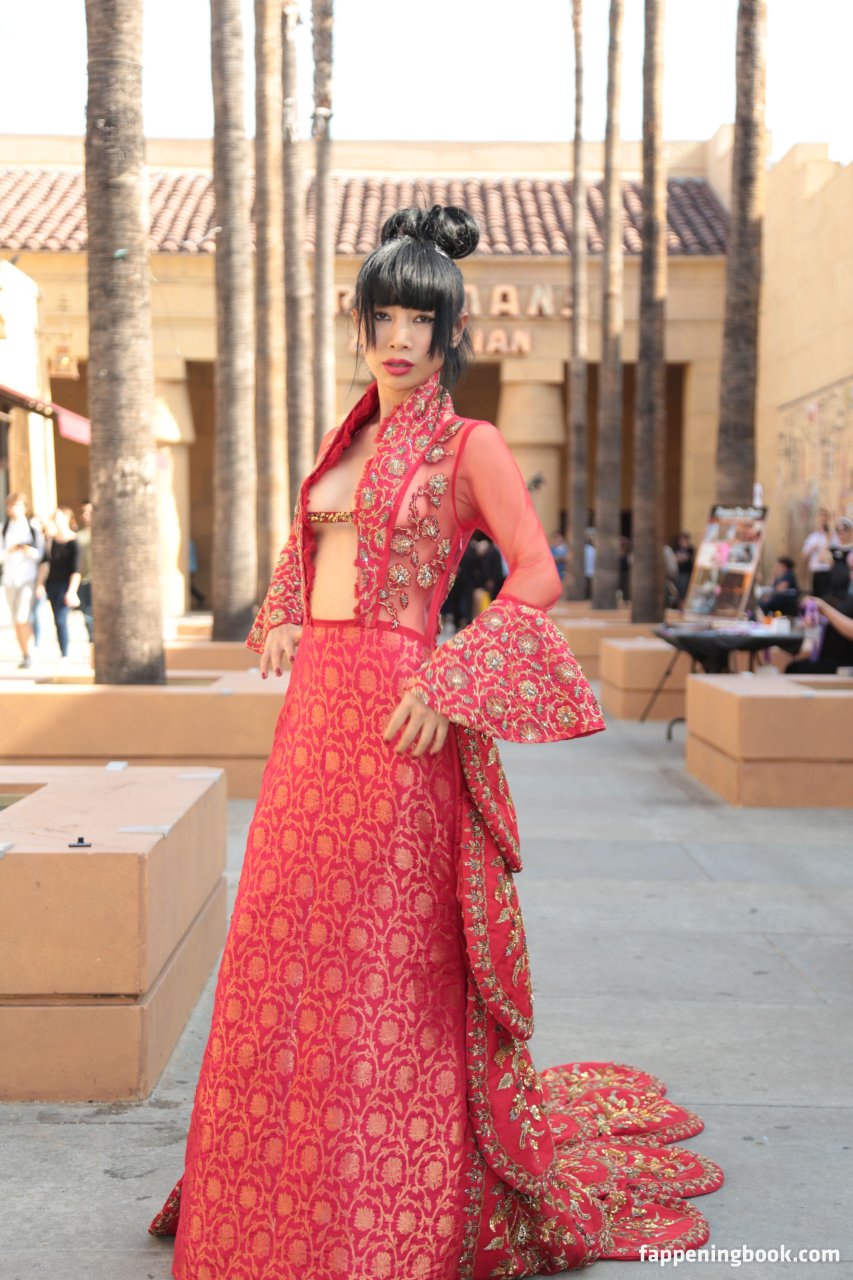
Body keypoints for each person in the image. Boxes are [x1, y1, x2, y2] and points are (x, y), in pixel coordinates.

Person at [150, 205, 722, 1278]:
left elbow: (536, 572)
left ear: (451, 332)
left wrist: (455, 679)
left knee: (385, 965)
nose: (401, 338)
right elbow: (311, 541)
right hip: (311, 724)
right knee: (287, 951)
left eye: (422, 319)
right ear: (361, 325)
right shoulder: (344, 438)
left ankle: (383, 1203)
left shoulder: (471, 445)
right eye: (384, 317)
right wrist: (283, 609)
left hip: (403, 722)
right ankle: (277, 1182)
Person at [1, 492, 45, 668]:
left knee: (22, 617)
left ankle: (31, 651)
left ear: (24, 508)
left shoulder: (33, 529)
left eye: (16, 505)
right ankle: (25, 654)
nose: (13, 508)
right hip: (9, 579)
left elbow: (42, 555)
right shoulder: (3, 529)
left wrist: (28, 550)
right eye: (10, 505)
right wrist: (10, 550)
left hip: (28, 578)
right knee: (16, 620)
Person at [43, 507, 81, 659]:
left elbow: (76, 570)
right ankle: (62, 651)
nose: (56, 521)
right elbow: (45, 563)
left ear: (66, 519)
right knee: (56, 620)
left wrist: (71, 590)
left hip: (65, 585)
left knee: (60, 619)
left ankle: (65, 654)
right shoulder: (51, 541)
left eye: (59, 517)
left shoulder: (74, 542)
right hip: (51, 584)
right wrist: (40, 584)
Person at [787, 595, 853, 674]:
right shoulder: (847, 601)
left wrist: (823, 607)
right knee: (794, 667)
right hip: (832, 657)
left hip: (845, 662)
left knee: (795, 669)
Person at [800, 509, 833, 598]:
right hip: (816, 571)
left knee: (826, 597)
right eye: (820, 516)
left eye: (825, 516)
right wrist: (812, 549)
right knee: (816, 597)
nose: (823, 519)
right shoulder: (813, 537)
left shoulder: (832, 535)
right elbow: (803, 555)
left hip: (828, 571)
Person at [75, 499, 94, 644]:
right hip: (83, 580)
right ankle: (94, 643)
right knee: (87, 614)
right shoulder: (77, 535)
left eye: (89, 512)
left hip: (102, 581)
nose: (86, 515)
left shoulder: (105, 533)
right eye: (83, 512)